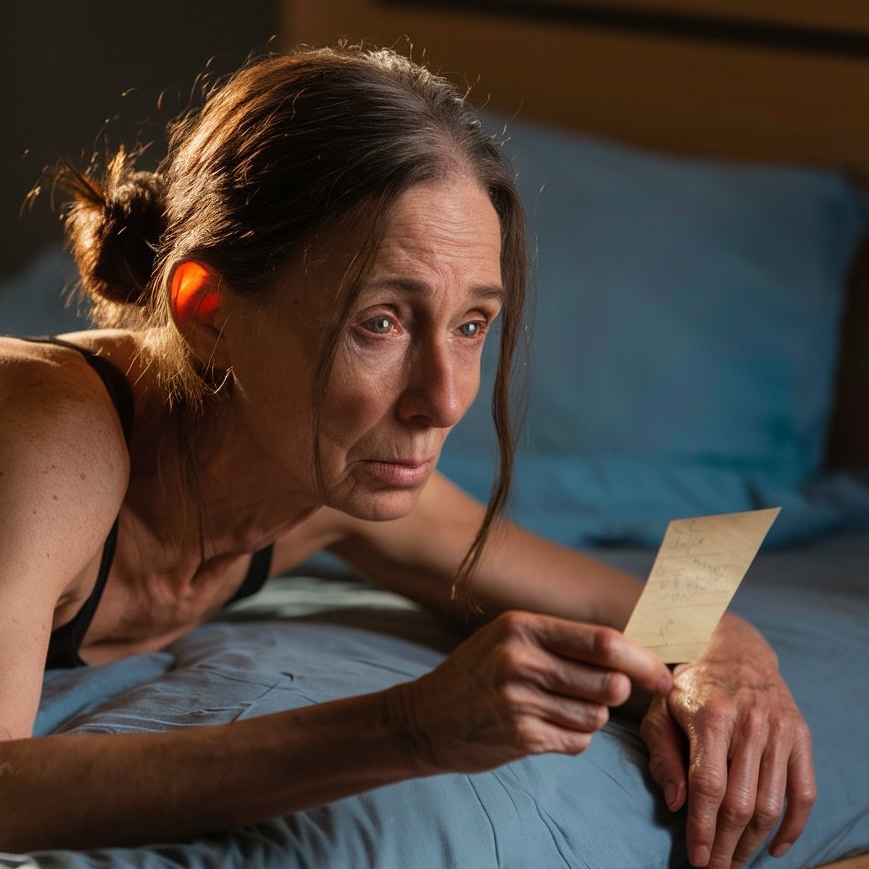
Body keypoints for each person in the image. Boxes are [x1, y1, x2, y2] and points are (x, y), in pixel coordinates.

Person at [0, 44, 814, 866]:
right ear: (208, 311)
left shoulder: (324, 472)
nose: (447, 399)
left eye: (470, 325)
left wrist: (733, 654)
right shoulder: (48, 437)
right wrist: (407, 727)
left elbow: (641, 605)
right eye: (379, 321)